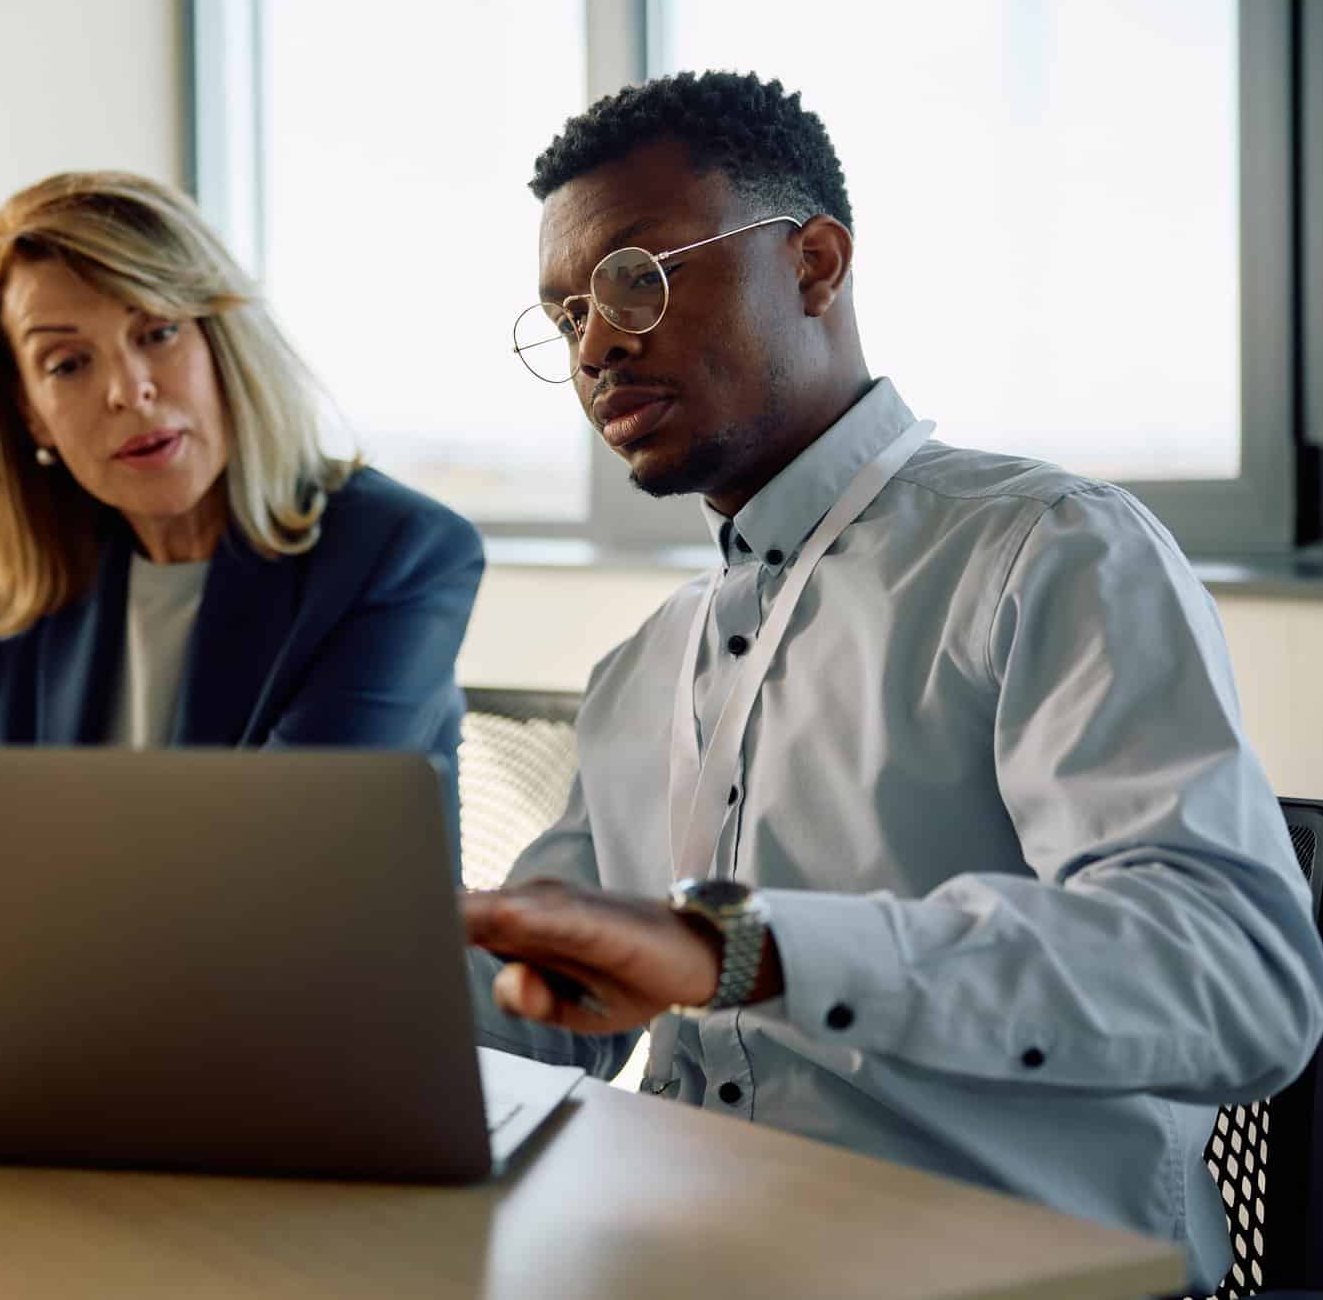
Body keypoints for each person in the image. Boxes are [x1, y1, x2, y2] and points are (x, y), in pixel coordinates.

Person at [463, 71, 1323, 1291]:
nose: (597, 342)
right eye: (566, 319)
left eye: (637, 279)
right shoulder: (648, 662)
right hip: (688, 1253)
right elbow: (531, 992)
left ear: (813, 264)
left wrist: (745, 950)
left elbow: (1240, 983)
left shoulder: (1050, 550)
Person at [0, 171, 484, 860]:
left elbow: (282, 847)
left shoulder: (397, 551)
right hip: (71, 965)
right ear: (29, 413)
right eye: (66, 364)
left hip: (318, 968)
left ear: (222, 344)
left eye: (158, 331)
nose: (128, 390)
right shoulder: (19, 572)